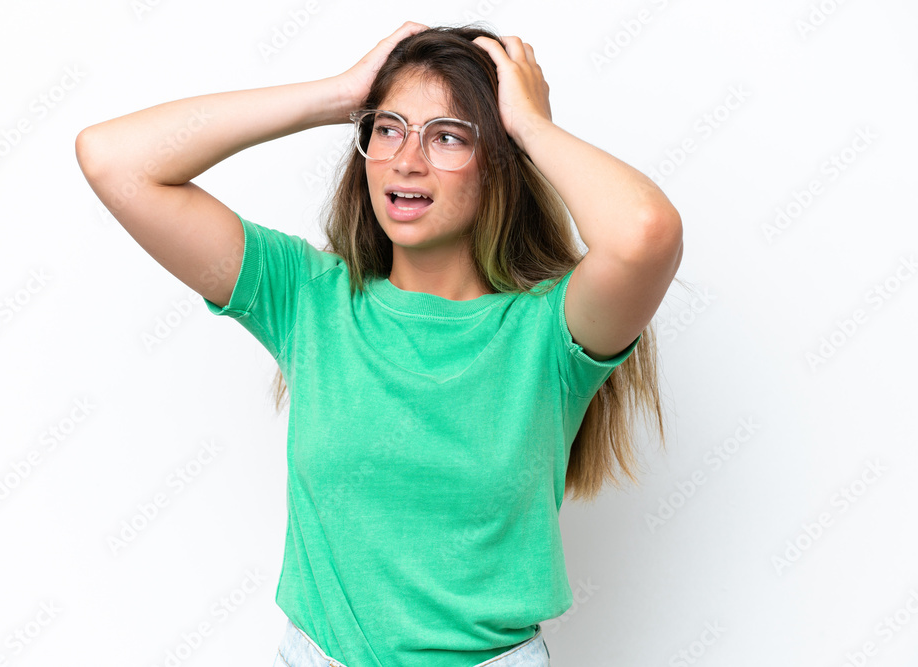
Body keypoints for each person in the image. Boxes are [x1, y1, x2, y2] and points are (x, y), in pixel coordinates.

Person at [75, 20, 683, 667]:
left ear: (501, 161)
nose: (406, 159)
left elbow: (645, 233)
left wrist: (531, 124)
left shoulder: (549, 331)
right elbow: (115, 159)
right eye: (388, 128)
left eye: (448, 135)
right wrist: (338, 96)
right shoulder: (307, 297)